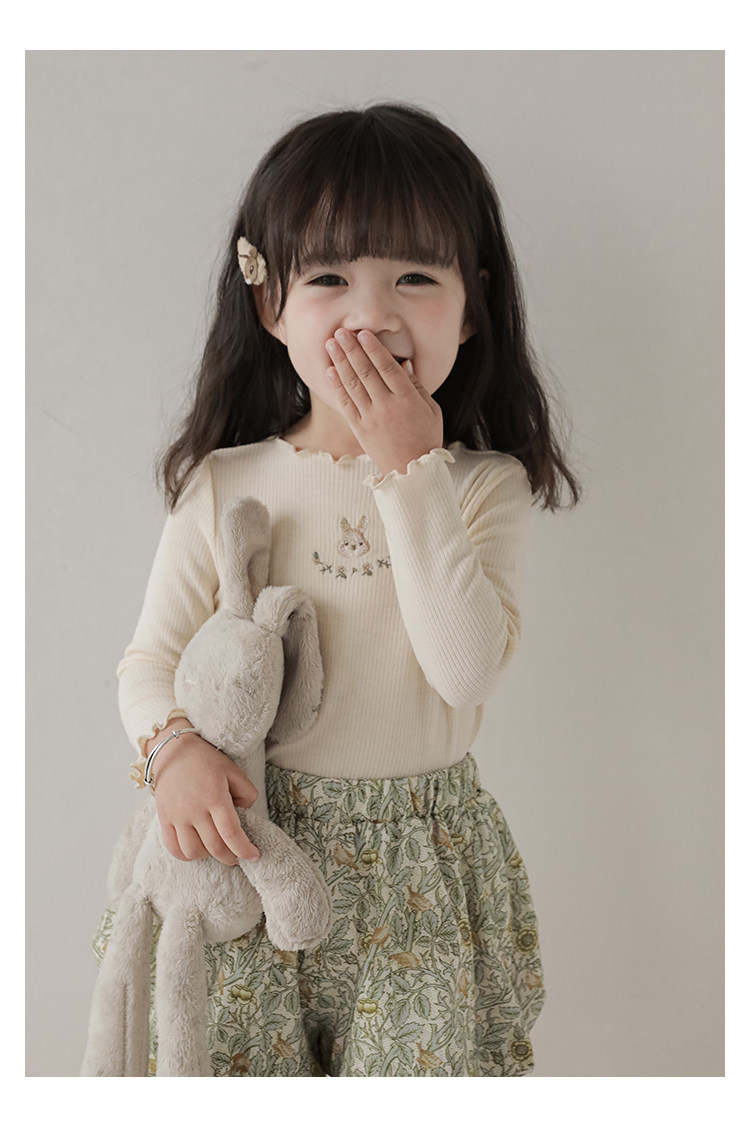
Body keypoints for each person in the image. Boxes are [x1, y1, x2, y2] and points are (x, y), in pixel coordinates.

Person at [95, 102, 580, 1077]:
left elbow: (464, 669)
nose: (372, 314)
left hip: (419, 872)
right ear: (270, 305)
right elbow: (148, 663)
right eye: (328, 279)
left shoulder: (479, 488)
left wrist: (411, 469)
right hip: (247, 843)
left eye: (415, 277)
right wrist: (173, 751)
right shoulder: (226, 482)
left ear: (472, 305)